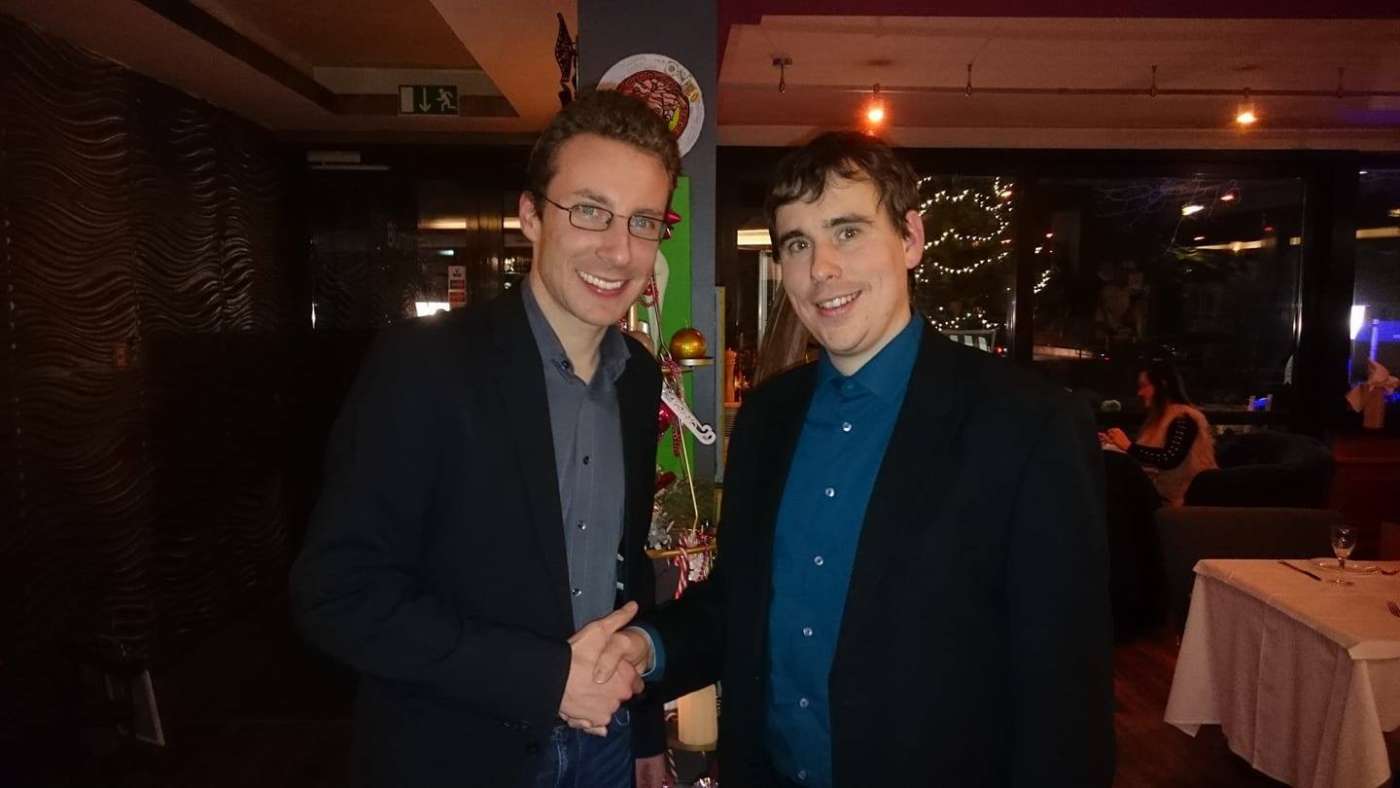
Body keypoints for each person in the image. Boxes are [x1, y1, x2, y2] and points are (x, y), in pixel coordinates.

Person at [589, 131, 1116, 787]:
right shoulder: (767, 417)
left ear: (911, 238)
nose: (821, 269)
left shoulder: (1029, 425)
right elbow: (739, 607)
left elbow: (1066, 698)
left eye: (847, 231)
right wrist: (647, 646)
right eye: (797, 244)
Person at [290, 90, 679, 788]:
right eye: (590, 211)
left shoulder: (638, 376)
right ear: (531, 215)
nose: (620, 250)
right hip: (461, 751)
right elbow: (337, 594)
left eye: (643, 221)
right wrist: (545, 678)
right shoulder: (425, 365)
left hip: (606, 743)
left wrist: (643, 728)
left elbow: (624, 570)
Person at [1104, 358, 1217, 507]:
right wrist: (1114, 445)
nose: (1139, 393)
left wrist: (1128, 446)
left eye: (1144, 386)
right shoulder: (1159, 419)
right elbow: (1151, 456)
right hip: (1160, 496)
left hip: (1182, 500)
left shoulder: (1184, 417)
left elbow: (1169, 458)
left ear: (1162, 385)